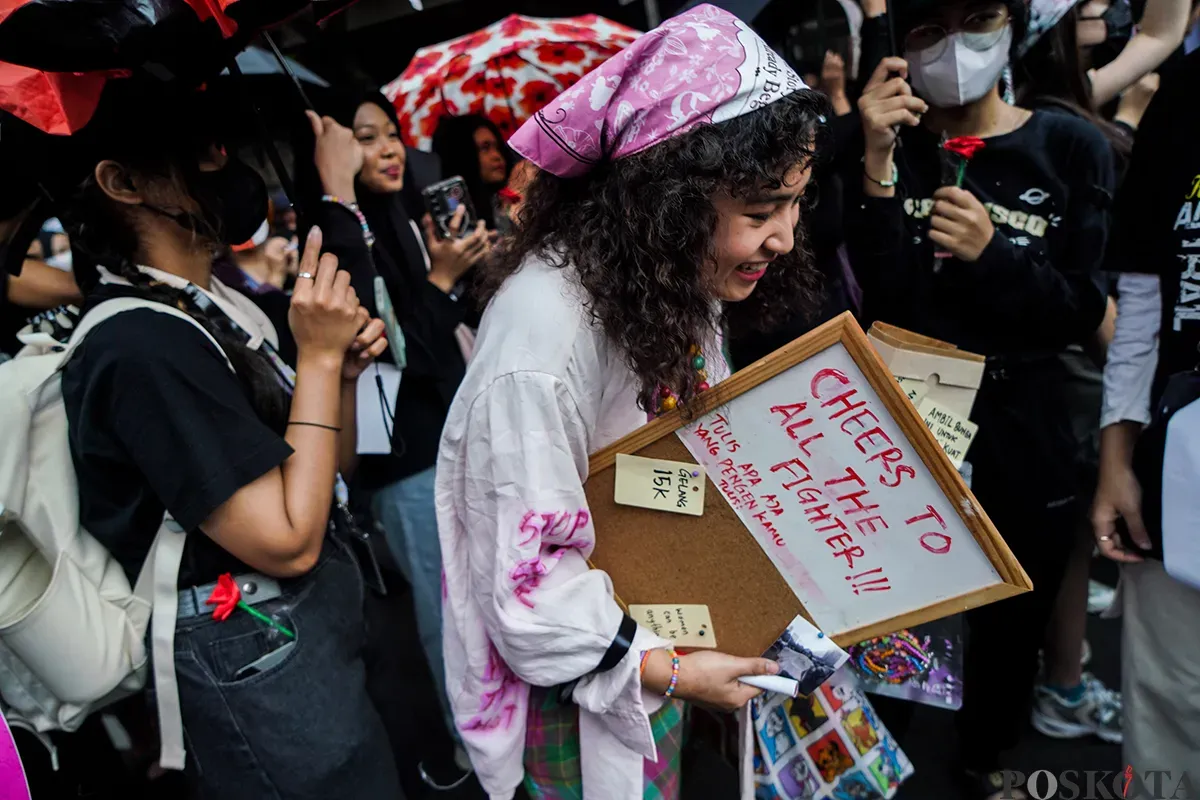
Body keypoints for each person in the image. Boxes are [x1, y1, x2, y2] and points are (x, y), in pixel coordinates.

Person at [436, 6, 827, 798]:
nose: (784, 237)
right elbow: (526, 591)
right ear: (668, 202)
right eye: (759, 213)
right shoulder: (541, 345)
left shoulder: (665, 274)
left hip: (659, 631)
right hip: (584, 685)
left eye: (795, 204)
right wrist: (674, 670)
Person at [53, 82, 400, 798]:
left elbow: (325, 468)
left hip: (300, 625)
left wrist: (334, 374)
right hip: (253, 647)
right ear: (121, 183)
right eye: (200, 156)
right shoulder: (136, 344)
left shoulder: (217, 306)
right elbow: (286, 538)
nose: (229, 169)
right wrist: (321, 358)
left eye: (225, 148)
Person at [847, 1, 1115, 796]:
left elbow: (1084, 309)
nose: (953, 45)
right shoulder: (887, 142)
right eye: (930, 27)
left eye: (978, 17)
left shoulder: (1071, 146)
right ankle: (879, 768)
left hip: (1025, 426)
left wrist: (994, 255)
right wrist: (874, 163)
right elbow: (878, 298)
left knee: (1008, 628)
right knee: (889, 623)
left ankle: (983, 761)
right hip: (906, 423)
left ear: (1012, 22)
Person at [300, 89, 490, 784]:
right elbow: (389, 359)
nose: (386, 150)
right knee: (449, 612)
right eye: (365, 137)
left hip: (452, 439)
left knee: (484, 595)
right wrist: (441, 284)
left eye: (391, 134)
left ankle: (498, 730)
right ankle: (472, 745)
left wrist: (463, 274)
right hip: (405, 463)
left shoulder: (407, 218)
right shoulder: (337, 241)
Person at [1092, 45, 1200, 781]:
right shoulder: (1191, 94)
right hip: (1178, 463)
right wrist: (1116, 459)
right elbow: (1142, 294)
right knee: (1168, 702)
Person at [430, 113, 514, 230]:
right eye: (485, 148)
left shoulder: (511, 198)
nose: (497, 156)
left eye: (498, 147)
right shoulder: (452, 214)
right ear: (464, 155)